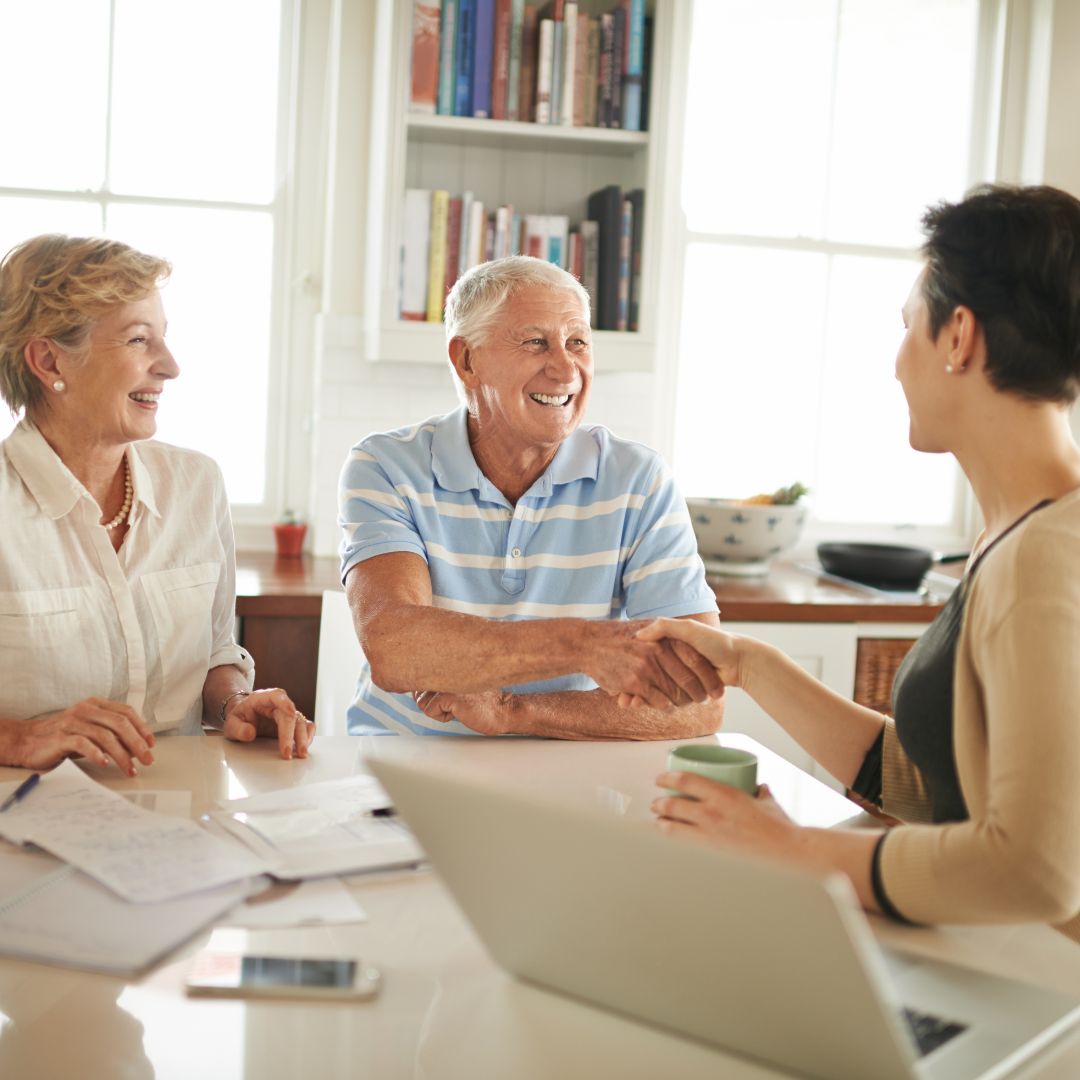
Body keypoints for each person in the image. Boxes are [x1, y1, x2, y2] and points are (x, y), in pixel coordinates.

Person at [643, 184, 1080, 943]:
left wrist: (795, 850)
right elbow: (928, 785)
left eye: (908, 326)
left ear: (959, 337)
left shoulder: (1048, 555)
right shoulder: (1012, 535)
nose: (895, 362)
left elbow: (1037, 871)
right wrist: (750, 663)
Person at [339, 255, 725, 736]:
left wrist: (512, 710)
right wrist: (585, 644)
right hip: (400, 762)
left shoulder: (638, 480)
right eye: (536, 342)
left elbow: (700, 698)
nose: (566, 370)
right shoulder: (387, 465)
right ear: (467, 360)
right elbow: (395, 647)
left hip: (570, 770)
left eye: (577, 342)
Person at [0, 234, 313, 772]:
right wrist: (20, 738)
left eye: (163, 338)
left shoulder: (197, 483)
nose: (170, 366)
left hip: (180, 815)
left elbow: (215, 655)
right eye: (138, 341)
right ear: (49, 358)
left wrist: (235, 701)